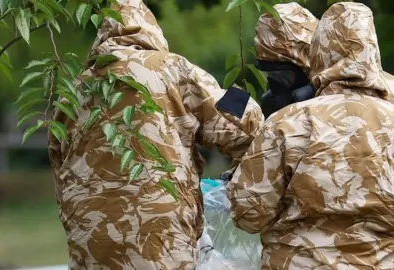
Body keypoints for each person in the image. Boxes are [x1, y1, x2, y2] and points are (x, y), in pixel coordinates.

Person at [227, 2, 394, 269]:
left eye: (284, 75)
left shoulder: (287, 123)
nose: (276, 87)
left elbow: (248, 211)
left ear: (315, 55)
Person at [47, 0, 264, 268]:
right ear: (150, 29)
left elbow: (59, 167)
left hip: (91, 244)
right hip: (161, 243)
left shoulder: (73, 91)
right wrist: (245, 98)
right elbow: (240, 124)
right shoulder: (169, 69)